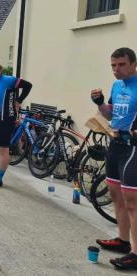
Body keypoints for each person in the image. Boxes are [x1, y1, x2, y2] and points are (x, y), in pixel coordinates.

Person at [92, 47, 137, 270]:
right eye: (113, 65)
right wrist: (100, 103)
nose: (116, 69)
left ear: (133, 64)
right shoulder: (117, 86)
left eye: (121, 65)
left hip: (132, 148)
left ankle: (136, 253)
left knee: (132, 200)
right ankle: (123, 241)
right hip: (115, 144)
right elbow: (110, 113)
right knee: (115, 194)